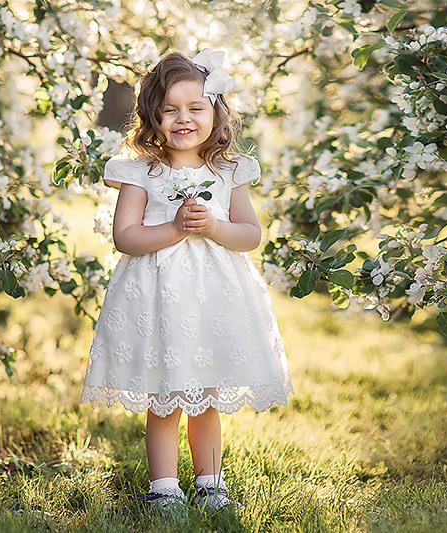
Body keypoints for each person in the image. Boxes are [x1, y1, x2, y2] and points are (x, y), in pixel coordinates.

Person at [80, 49, 293, 512]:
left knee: (206, 394)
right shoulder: (140, 171)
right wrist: (175, 229)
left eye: (196, 107)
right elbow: (126, 237)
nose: (183, 118)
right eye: (170, 109)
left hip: (212, 297)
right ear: (152, 115)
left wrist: (214, 228)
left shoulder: (229, 171)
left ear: (215, 112)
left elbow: (250, 235)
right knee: (165, 395)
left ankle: (210, 483)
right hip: (158, 297)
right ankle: (164, 488)